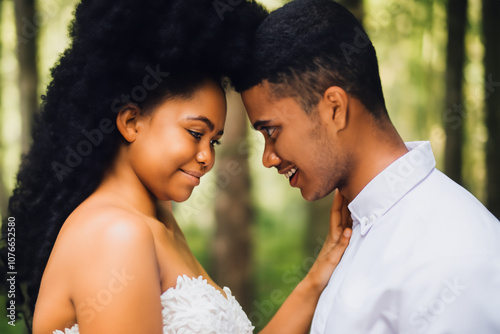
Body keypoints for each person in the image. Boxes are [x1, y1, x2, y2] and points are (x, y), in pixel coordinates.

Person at [0, 1, 353, 333]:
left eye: (213, 141)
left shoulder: (158, 219)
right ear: (131, 122)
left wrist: (319, 274)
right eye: (195, 133)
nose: (207, 157)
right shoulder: (116, 234)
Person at [233, 0, 500, 333]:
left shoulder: (454, 254)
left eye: (271, 132)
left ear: (334, 108)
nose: (268, 157)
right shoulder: (354, 230)